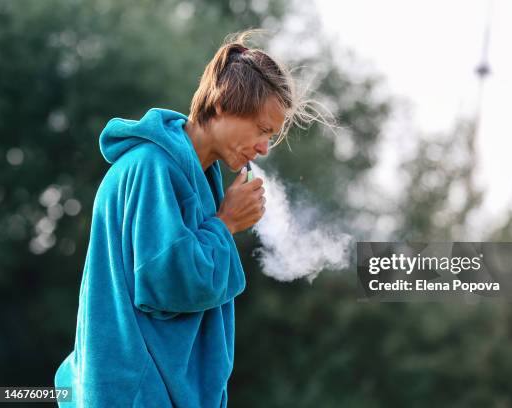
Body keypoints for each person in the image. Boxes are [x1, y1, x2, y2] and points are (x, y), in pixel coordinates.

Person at [53, 29, 334, 407]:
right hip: (135, 392)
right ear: (221, 104)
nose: (265, 148)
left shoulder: (198, 178)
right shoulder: (152, 168)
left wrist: (222, 221)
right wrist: (226, 224)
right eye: (262, 130)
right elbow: (166, 281)